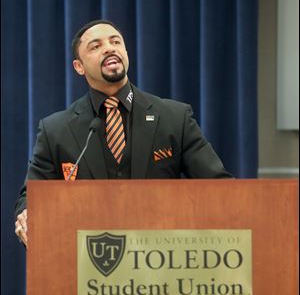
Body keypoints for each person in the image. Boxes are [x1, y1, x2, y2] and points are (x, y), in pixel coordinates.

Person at [15, 19, 233, 246]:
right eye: (95, 46)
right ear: (79, 67)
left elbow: (218, 187)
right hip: (86, 261)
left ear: (126, 52)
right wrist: (28, 214)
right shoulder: (56, 131)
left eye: (115, 42)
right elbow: (31, 196)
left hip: (160, 259)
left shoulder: (174, 118)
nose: (109, 48)